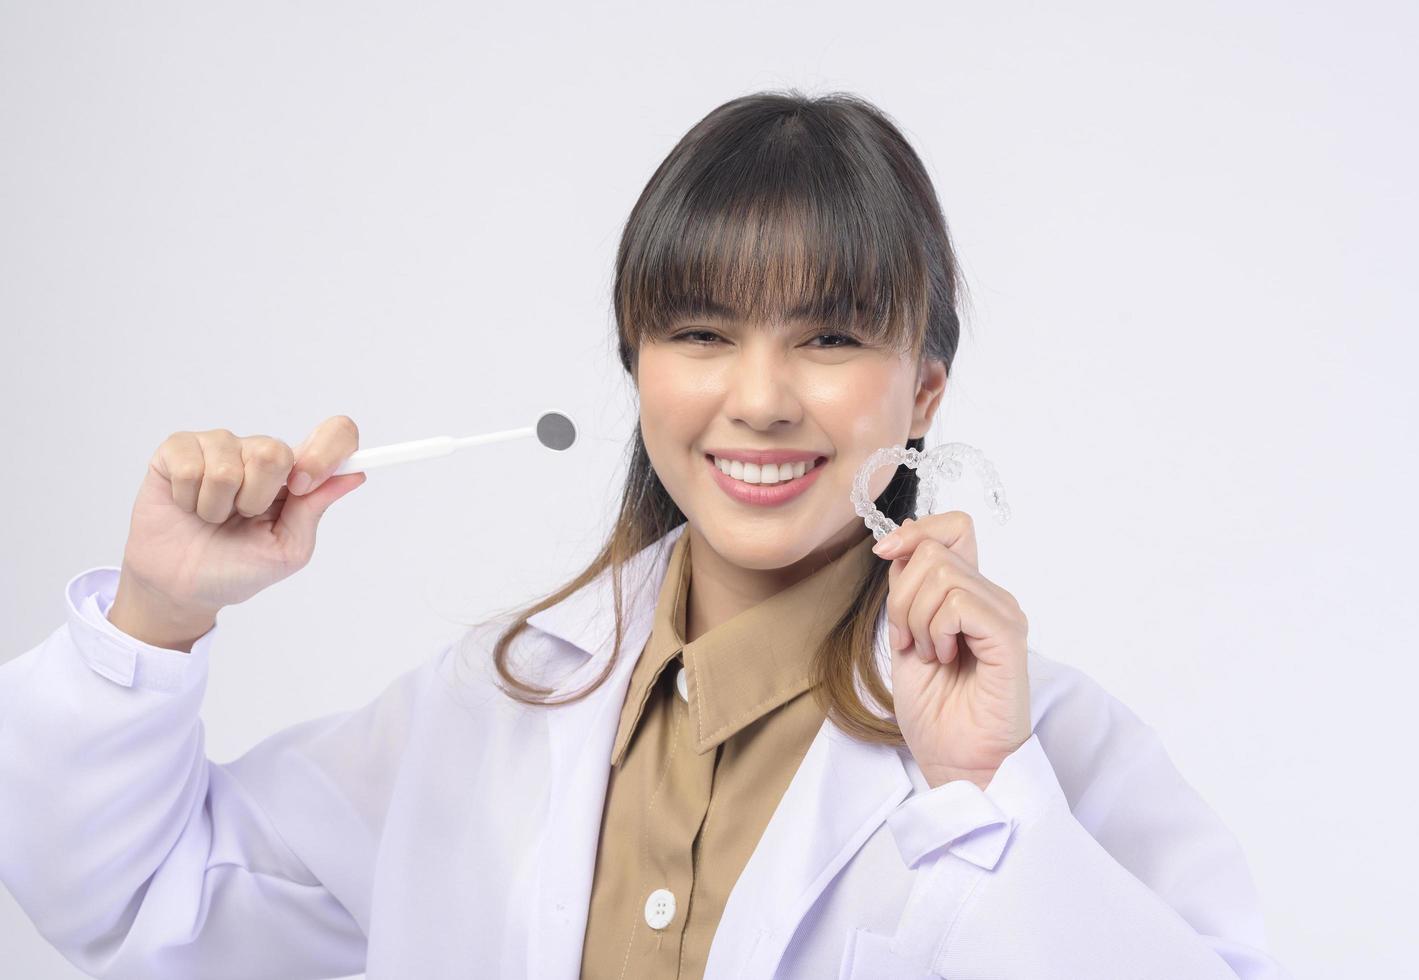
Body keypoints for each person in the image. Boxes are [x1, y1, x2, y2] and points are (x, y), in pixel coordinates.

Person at [0, 91, 1290, 979]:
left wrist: (981, 804)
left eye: (831, 336)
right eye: (702, 333)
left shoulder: (1038, 750)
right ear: (637, 365)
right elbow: (128, 904)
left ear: (925, 389)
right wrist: (156, 620)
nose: (761, 396)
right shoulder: (492, 710)